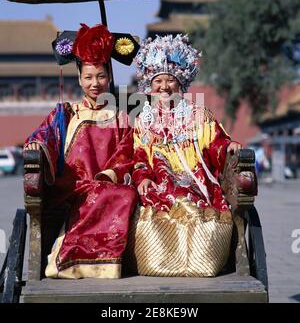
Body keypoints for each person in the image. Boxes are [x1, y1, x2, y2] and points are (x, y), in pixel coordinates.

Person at [24, 24, 138, 279]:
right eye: (88, 77)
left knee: (125, 194)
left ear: (109, 77)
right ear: (79, 78)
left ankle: (101, 264)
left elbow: (126, 152)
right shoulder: (66, 113)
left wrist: (109, 174)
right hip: (71, 185)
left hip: (105, 183)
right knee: (108, 194)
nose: (94, 83)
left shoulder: (121, 117)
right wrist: (36, 144)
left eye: (100, 76)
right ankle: (67, 258)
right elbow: (44, 136)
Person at [129, 34, 241, 277]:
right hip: (158, 180)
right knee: (161, 198)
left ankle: (198, 261)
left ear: (181, 84)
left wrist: (227, 146)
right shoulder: (143, 120)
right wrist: (143, 178)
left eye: (171, 80)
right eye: (159, 80)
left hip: (196, 179)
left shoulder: (199, 114)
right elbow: (138, 155)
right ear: (150, 85)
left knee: (187, 198)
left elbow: (214, 142)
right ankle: (161, 262)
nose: (164, 86)